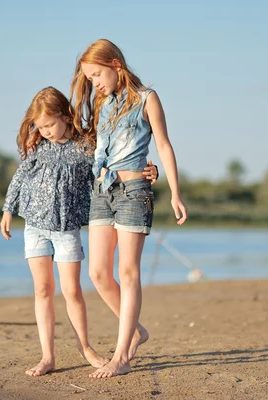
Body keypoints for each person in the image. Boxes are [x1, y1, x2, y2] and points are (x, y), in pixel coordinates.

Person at [0, 86, 158, 377]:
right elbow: (20, 176)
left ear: (64, 116)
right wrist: (8, 209)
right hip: (34, 225)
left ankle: (84, 347)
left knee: (72, 290)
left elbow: (114, 162)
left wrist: (147, 169)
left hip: (67, 227)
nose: (45, 130)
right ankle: (48, 357)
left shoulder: (86, 146)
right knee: (42, 289)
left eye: (49, 124)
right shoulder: (37, 146)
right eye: (40, 126)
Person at [70, 38, 188, 379]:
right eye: (90, 79)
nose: (95, 83)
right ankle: (135, 329)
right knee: (97, 273)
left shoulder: (148, 98)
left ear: (116, 65)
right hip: (102, 190)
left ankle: (122, 356)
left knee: (128, 272)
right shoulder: (104, 103)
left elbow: (163, 145)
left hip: (135, 190)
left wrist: (174, 192)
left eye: (97, 75)